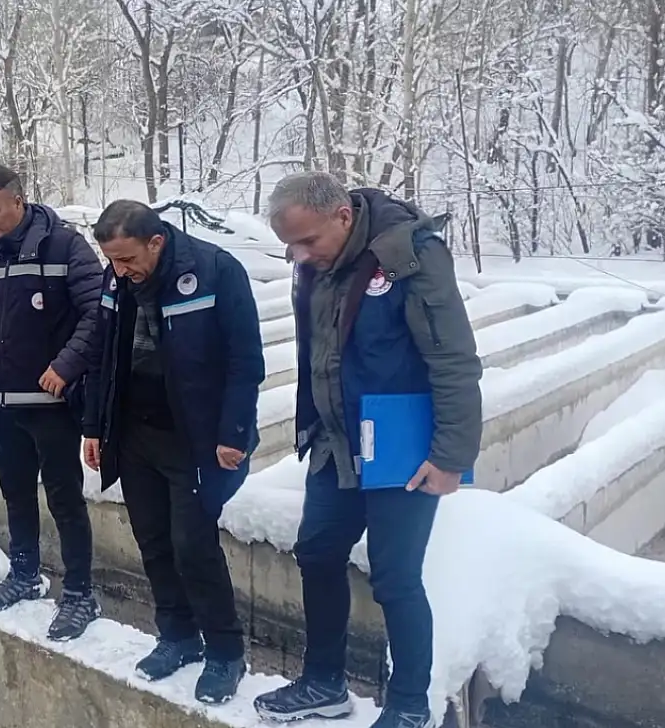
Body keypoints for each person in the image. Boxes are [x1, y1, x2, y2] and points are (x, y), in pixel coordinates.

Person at [252, 172, 482, 728]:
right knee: (317, 554)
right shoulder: (317, 263)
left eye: (308, 240)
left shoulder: (409, 255)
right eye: (291, 246)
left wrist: (451, 456)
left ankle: (409, 706)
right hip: (336, 442)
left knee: (395, 578)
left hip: (400, 447)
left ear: (343, 216)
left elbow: (453, 359)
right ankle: (324, 684)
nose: (300, 255)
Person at [81, 200, 265, 704]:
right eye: (112, 261)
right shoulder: (116, 278)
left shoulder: (214, 270)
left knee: (193, 545)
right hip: (135, 433)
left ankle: (225, 651)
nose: (120, 270)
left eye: (127, 259)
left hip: (193, 437)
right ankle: (178, 635)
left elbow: (245, 359)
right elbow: (101, 355)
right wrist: (94, 426)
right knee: (153, 541)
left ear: (156, 242)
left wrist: (233, 432)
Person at [0, 165, 103, 641]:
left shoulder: (65, 247)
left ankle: (79, 593)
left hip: (52, 404)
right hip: (5, 401)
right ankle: (25, 574)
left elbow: (98, 314)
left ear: (18, 201)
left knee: (64, 499)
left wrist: (66, 365)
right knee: (16, 492)